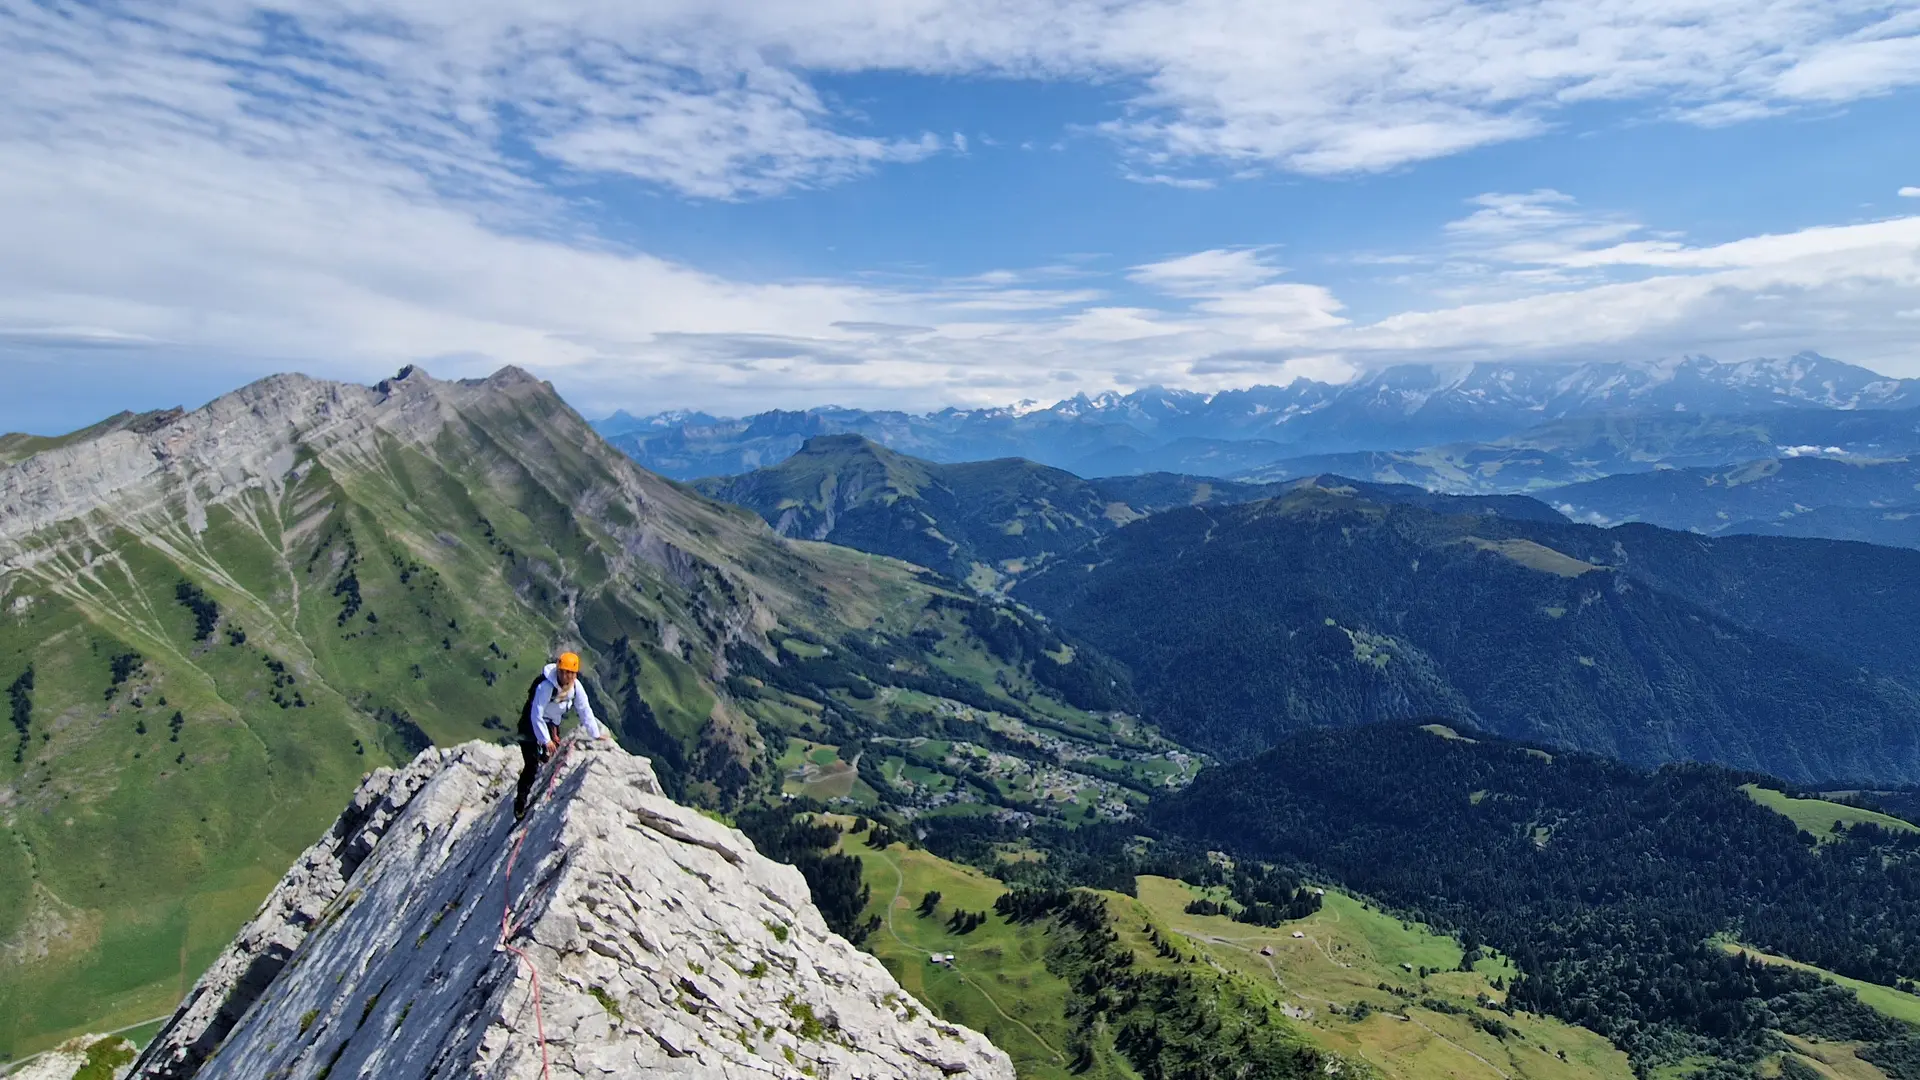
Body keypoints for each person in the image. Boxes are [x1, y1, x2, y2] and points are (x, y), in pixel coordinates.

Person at [514, 651, 609, 820]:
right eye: (563, 672)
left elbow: (584, 709)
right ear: (558, 670)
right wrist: (546, 740)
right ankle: (520, 804)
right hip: (529, 724)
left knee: (547, 757)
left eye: (569, 673)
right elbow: (536, 715)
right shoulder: (546, 687)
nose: (565, 676)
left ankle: (539, 779)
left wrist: (594, 733)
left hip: (550, 724)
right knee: (531, 764)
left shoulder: (576, 688)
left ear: (575, 674)